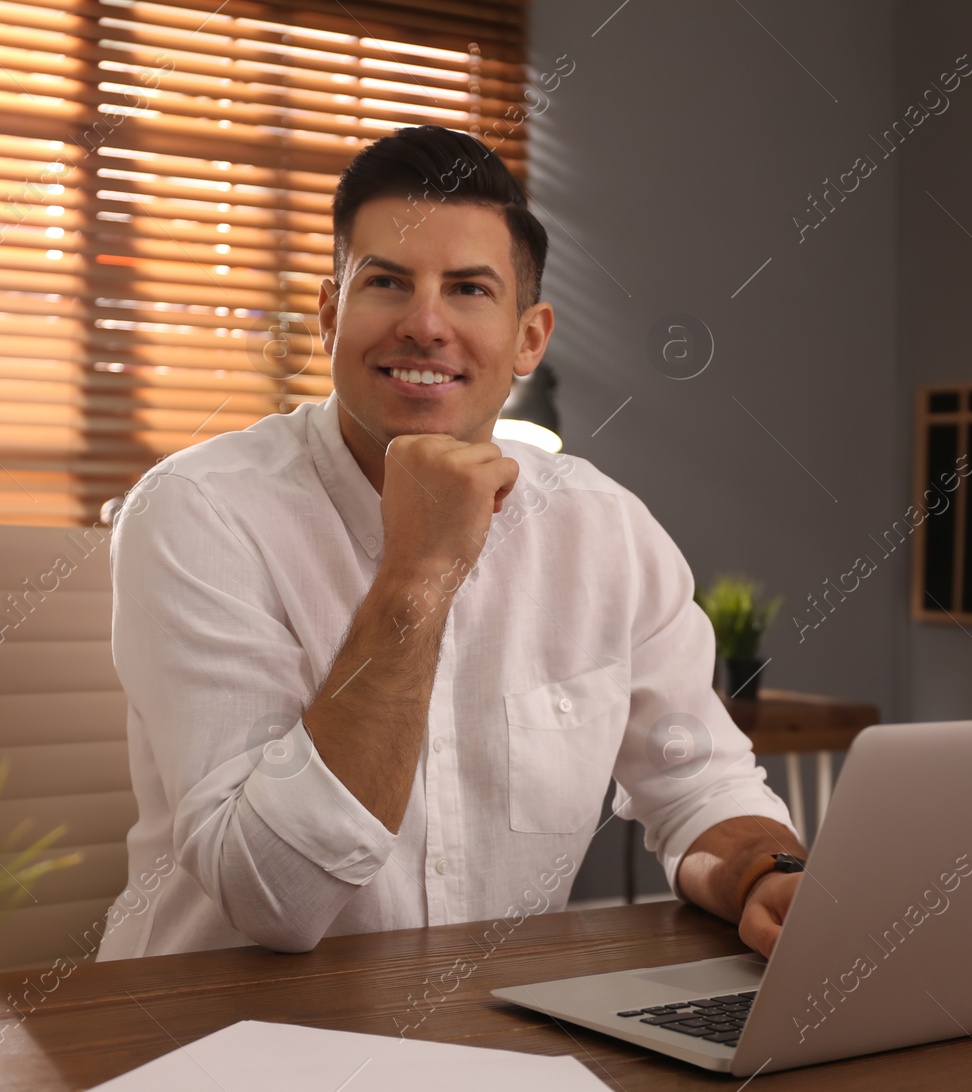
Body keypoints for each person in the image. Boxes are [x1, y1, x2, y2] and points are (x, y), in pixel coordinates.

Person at [95, 125, 806, 962]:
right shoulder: (196, 513)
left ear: (528, 339)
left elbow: (698, 781)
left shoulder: (605, 531)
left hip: (489, 1028)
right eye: (387, 283)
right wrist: (420, 571)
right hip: (214, 1038)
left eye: (469, 289)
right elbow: (274, 895)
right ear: (330, 316)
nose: (425, 325)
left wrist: (767, 875)